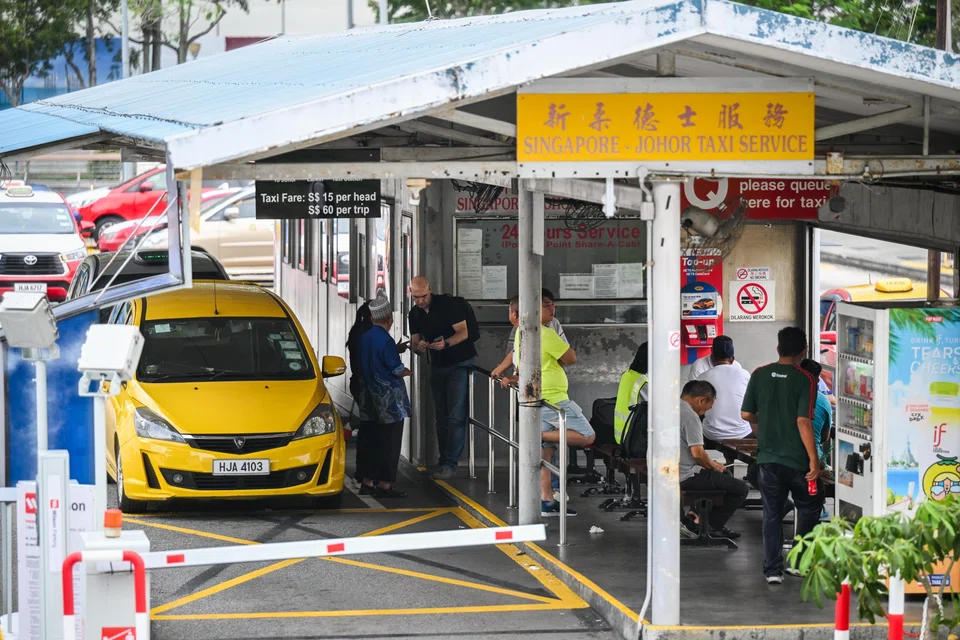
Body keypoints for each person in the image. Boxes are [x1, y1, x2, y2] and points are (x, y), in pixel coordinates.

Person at [741, 327, 823, 584]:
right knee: (809, 506)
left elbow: (745, 415)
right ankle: (799, 563)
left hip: (768, 460)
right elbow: (803, 422)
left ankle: (772, 570)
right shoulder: (805, 379)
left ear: (778, 349)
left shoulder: (759, 374)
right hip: (798, 462)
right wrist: (814, 459)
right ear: (803, 351)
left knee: (772, 513)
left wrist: (761, 426)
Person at [501, 296, 595, 517]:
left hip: (537, 399)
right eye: (545, 305)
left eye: (552, 304)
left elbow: (521, 364)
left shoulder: (521, 334)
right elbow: (571, 357)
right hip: (554, 399)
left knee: (546, 452)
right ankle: (535, 434)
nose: (552, 309)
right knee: (587, 436)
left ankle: (547, 500)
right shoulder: (545, 332)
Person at [409, 276, 478, 480]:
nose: (420, 301)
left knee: (456, 416)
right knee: (441, 417)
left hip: (459, 363)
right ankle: (443, 461)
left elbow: (463, 333)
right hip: (437, 366)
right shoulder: (414, 313)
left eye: (423, 296)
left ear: (430, 289)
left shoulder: (449, 305)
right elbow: (415, 343)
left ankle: (450, 463)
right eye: (416, 298)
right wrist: (419, 347)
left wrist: (445, 343)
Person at [354, 293, 412, 498]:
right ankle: (385, 485)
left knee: (370, 438)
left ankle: (367, 482)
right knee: (389, 441)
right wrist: (408, 371)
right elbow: (396, 369)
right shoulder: (385, 340)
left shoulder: (364, 337)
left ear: (371, 318)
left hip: (368, 397)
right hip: (388, 402)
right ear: (390, 318)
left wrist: (395, 350)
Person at [679, 380, 749, 540]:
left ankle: (693, 517)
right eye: (706, 408)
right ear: (701, 400)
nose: (703, 413)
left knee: (722, 477)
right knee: (740, 488)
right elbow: (697, 454)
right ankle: (709, 527)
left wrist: (711, 465)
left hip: (666, 470)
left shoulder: (670, 408)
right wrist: (714, 466)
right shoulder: (690, 417)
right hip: (684, 475)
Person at [491, 288, 567, 379]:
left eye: (552, 305)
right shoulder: (519, 329)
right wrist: (501, 369)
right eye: (547, 305)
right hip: (525, 380)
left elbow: (567, 356)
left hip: (548, 380)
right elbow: (515, 353)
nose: (552, 309)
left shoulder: (553, 324)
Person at [699, 338, 753, 445]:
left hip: (712, 435)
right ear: (733, 359)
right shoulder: (745, 375)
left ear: (712, 357)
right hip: (742, 434)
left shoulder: (702, 377)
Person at [614, 342, 649, 444]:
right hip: (633, 439)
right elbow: (658, 410)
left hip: (621, 434)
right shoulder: (643, 382)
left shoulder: (627, 374)